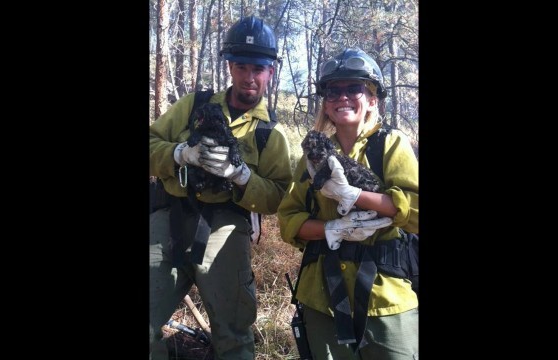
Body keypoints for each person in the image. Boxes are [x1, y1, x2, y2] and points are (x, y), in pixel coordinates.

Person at [149, 15, 293, 360]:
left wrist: (242, 176)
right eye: (241, 66)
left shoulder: (270, 133)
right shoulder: (193, 106)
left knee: (233, 334)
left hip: (225, 229)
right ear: (229, 67)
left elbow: (277, 195)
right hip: (168, 218)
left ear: (270, 72)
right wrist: (180, 154)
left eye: (258, 69)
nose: (249, 77)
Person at [277, 47, 419, 360]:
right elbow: (288, 221)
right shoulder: (312, 158)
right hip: (321, 298)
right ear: (325, 104)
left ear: (372, 99)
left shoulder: (391, 143)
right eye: (332, 91)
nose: (342, 97)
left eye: (354, 88)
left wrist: (355, 195)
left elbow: (415, 211)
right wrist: (333, 228)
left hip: (386, 296)